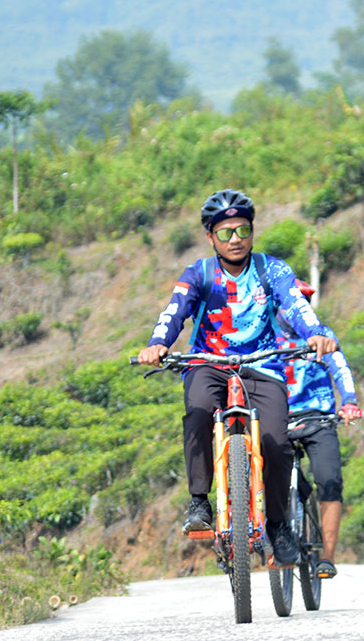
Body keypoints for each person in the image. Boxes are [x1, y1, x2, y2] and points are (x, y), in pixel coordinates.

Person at [136, 189, 336, 566]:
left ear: (252, 231)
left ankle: (278, 527)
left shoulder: (271, 269)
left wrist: (315, 332)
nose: (235, 240)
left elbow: (295, 305)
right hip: (208, 362)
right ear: (210, 236)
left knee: (277, 443)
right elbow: (174, 311)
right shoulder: (199, 274)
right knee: (197, 410)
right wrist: (158, 344)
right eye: (225, 233)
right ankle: (199, 503)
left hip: (263, 364)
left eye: (243, 230)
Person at [276, 280, 362, 579]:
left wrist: (349, 402)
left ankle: (326, 556)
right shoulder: (261, 337)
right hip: (277, 419)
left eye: (305, 303)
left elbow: (339, 366)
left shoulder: (322, 335)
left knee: (330, 480)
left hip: (318, 418)